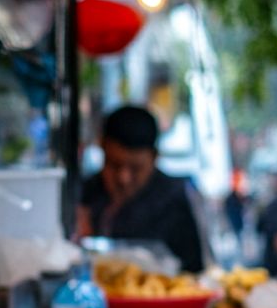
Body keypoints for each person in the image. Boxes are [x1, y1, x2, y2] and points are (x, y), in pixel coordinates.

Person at [76, 106, 205, 272]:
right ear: (102, 146)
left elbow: (194, 272)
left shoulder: (174, 200)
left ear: (154, 157)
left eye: (136, 168)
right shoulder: (83, 195)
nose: (124, 178)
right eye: (114, 165)